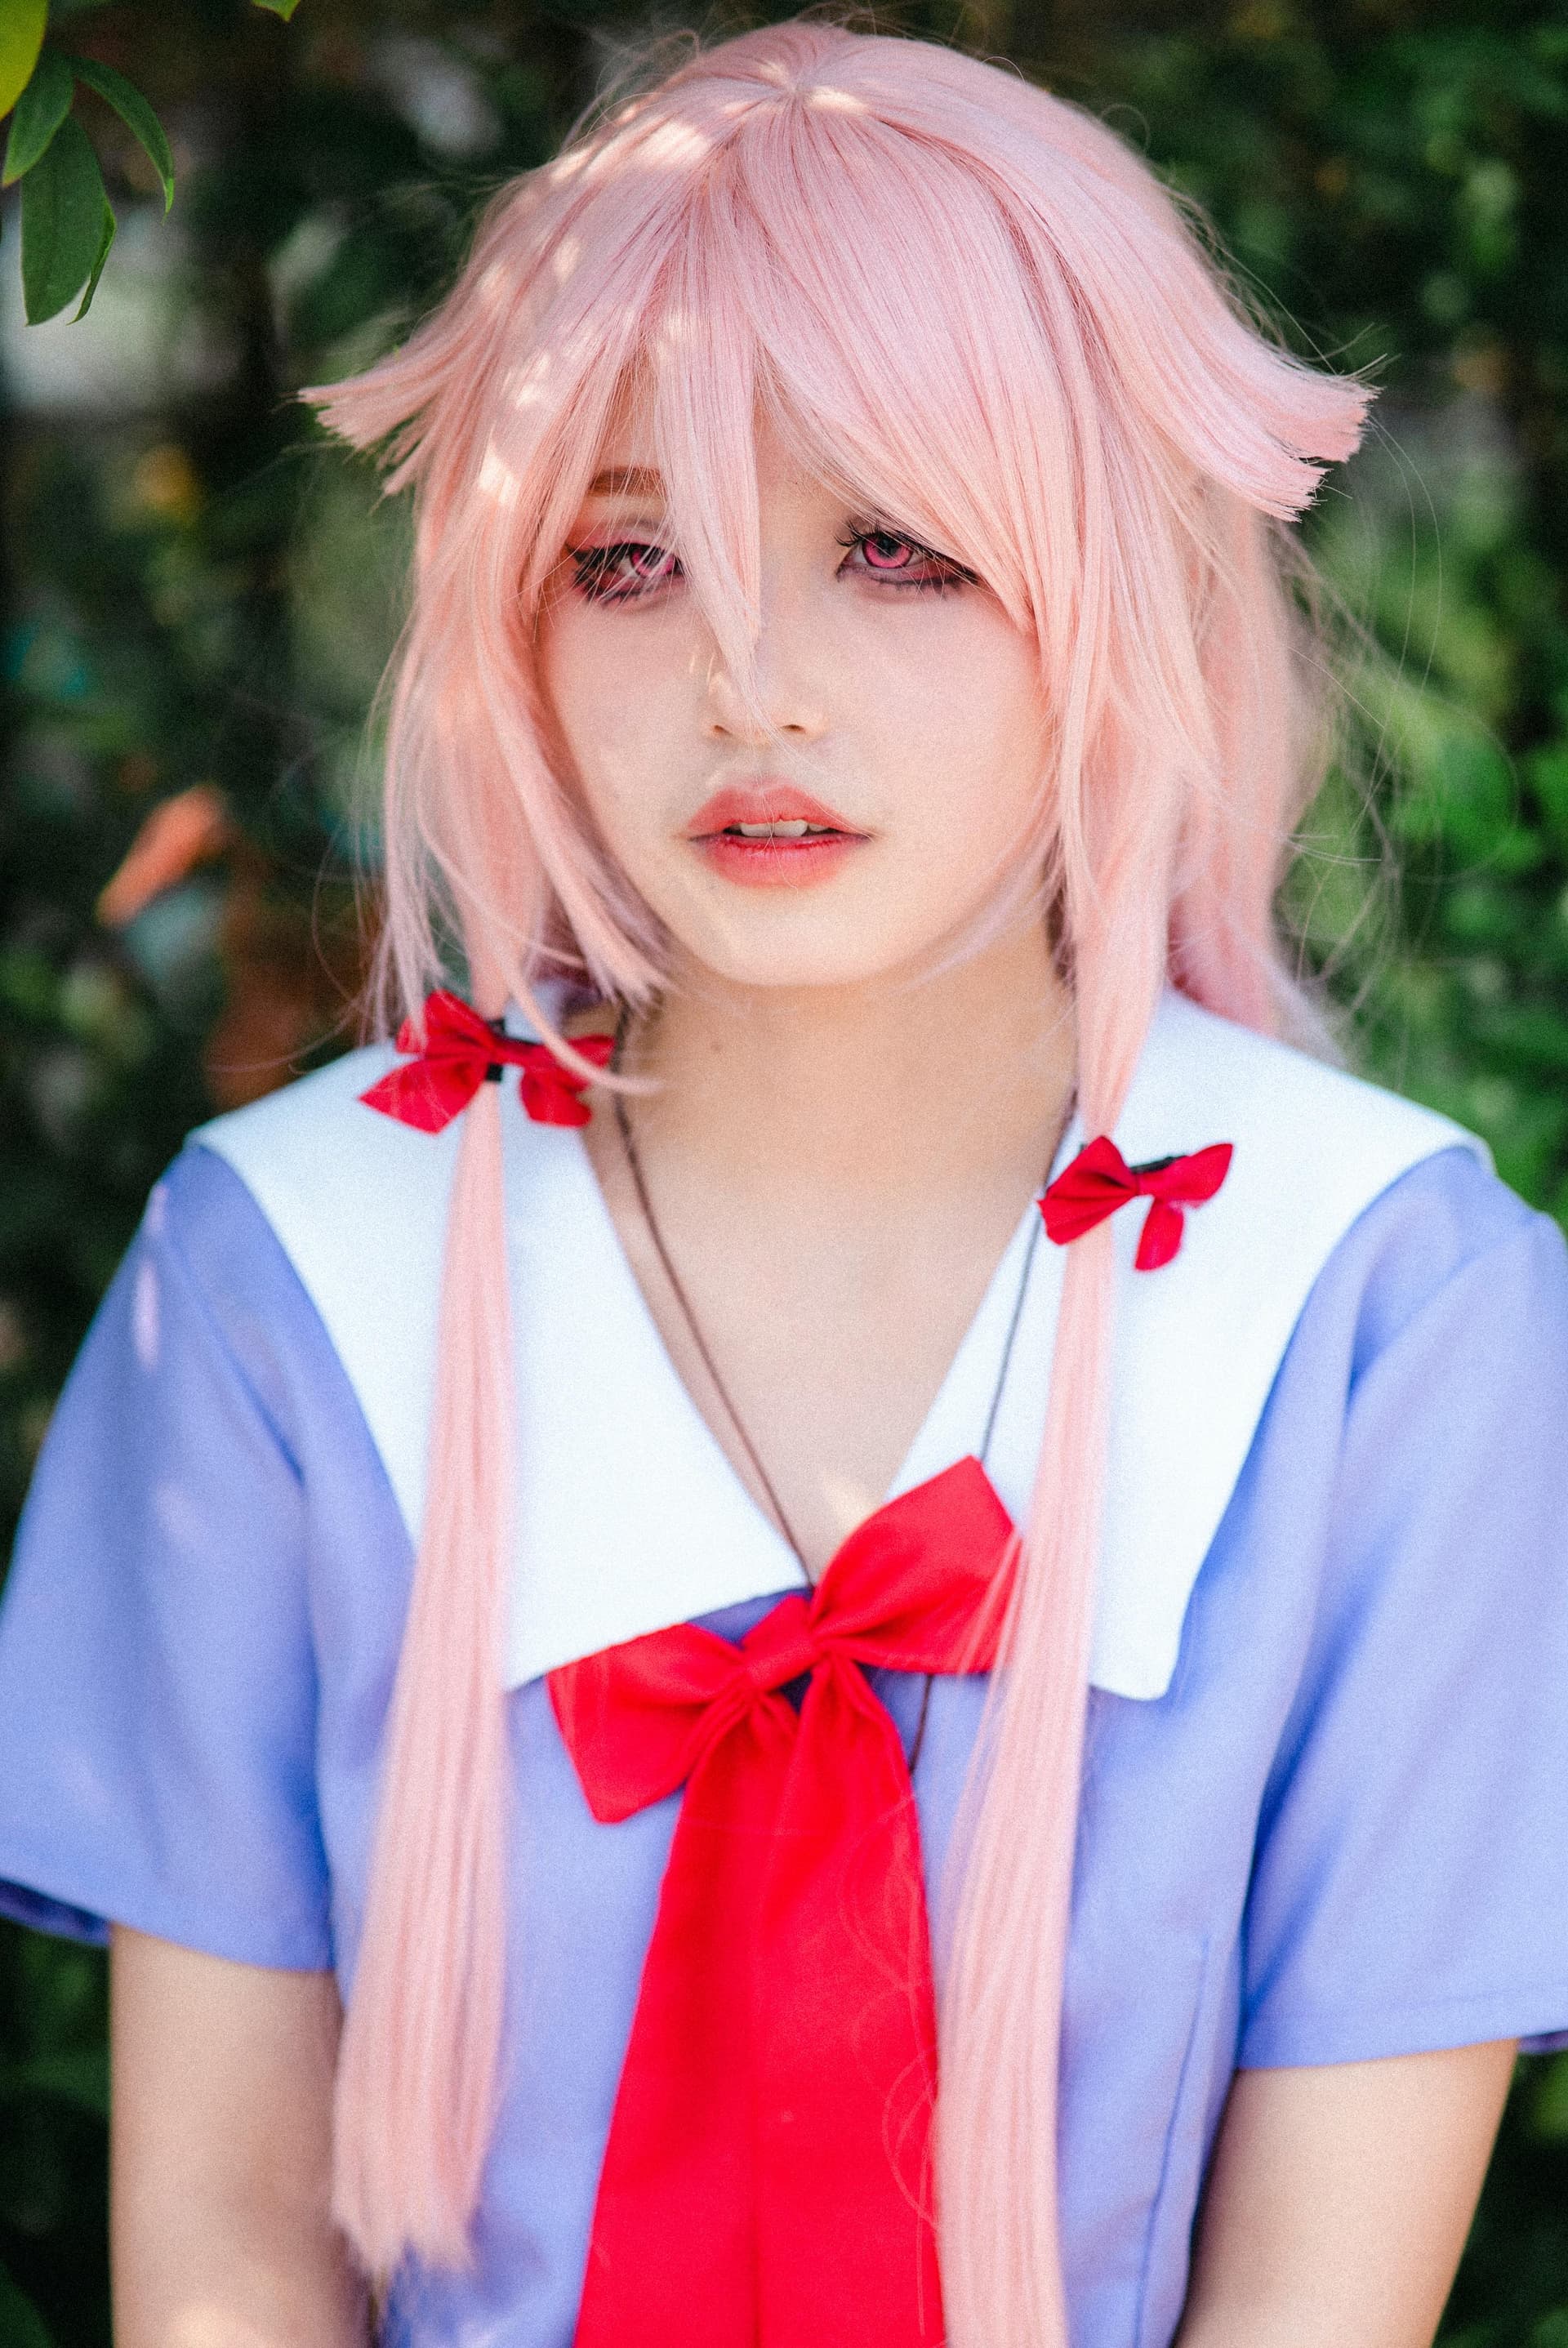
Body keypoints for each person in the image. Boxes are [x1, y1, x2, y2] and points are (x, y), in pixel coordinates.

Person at [2, 20, 1566, 2347]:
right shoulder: (286, 1273)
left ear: (1121, 589)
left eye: (897, 551)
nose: (754, 679)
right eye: (630, 556)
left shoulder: (1375, 1298)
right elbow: (224, 2261)